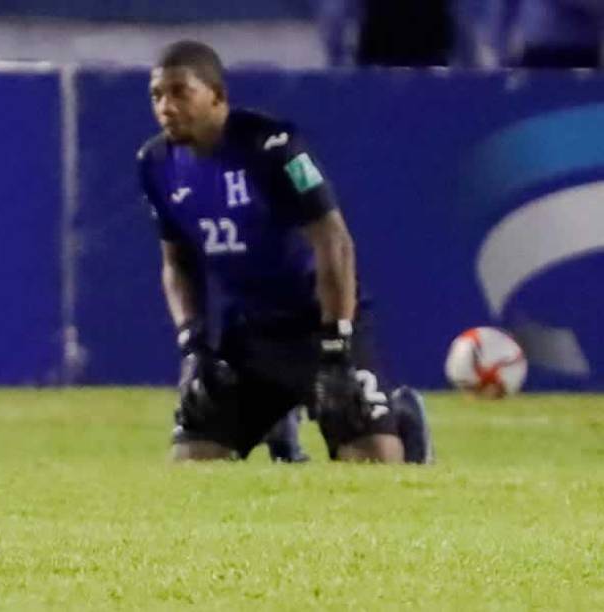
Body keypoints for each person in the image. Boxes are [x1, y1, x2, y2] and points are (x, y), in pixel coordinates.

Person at [137, 40, 433, 464]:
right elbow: (176, 262)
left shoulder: (272, 147)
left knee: (373, 463)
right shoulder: (155, 164)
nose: (166, 107)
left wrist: (337, 345)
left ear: (217, 96)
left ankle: (399, 417)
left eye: (180, 92)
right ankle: (278, 420)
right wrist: (194, 346)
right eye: (157, 96)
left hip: (318, 323)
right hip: (247, 335)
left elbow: (334, 242)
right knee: (191, 465)